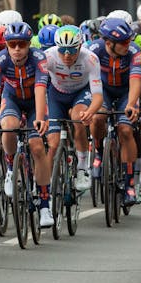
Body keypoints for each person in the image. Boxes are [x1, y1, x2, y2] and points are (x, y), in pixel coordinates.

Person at [0, 20, 53, 228]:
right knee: (8, 126)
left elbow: (41, 90)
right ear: (6, 44)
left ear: (29, 44)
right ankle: (11, 168)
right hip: (12, 98)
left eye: (21, 44)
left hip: (34, 102)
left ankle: (45, 205)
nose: (16, 49)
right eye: (12, 44)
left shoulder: (39, 58)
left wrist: (39, 118)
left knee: (37, 147)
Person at [39, 24, 101, 194]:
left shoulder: (90, 59)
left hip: (80, 93)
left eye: (72, 50)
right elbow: (40, 88)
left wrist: (90, 112)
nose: (67, 55)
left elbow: (98, 96)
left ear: (80, 46)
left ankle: (82, 168)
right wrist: (42, 114)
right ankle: (46, 187)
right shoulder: (48, 57)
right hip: (56, 95)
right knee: (52, 142)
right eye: (62, 49)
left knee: (78, 118)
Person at [88, 18, 141, 206]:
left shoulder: (134, 50)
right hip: (103, 90)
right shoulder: (94, 50)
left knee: (126, 130)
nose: (128, 44)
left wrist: (132, 104)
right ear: (109, 42)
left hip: (126, 91)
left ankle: (129, 183)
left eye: (129, 40)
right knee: (98, 117)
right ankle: (98, 152)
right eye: (123, 42)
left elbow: (136, 80)